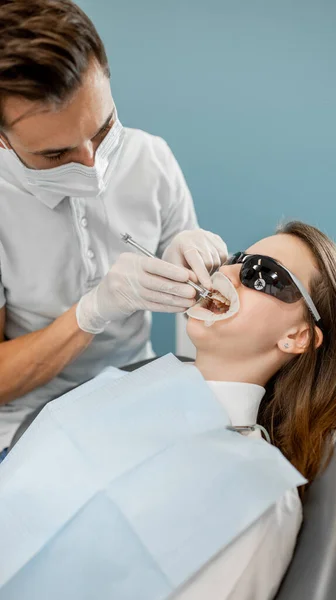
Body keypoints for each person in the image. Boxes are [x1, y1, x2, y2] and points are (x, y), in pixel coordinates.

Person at [0, 221, 336, 600]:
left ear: (296, 336)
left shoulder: (259, 501)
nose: (228, 273)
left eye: (263, 275)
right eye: (236, 259)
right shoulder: (123, 389)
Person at [0, 0, 228, 452]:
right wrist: (92, 312)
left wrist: (192, 268)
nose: (93, 165)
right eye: (56, 154)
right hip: (29, 421)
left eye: (103, 131)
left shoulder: (151, 159)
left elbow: (202, 312)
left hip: (138, 390)